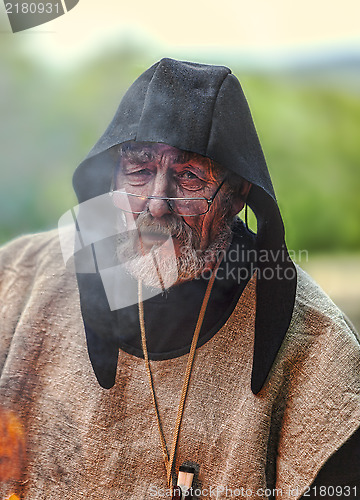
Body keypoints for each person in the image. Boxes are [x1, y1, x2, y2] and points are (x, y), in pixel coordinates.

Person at [0, 58, 359, 500]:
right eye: (139, 171)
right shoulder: (18, 278)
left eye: (189, 176)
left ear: (238, 192)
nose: (156, 205)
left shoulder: (318, 350)